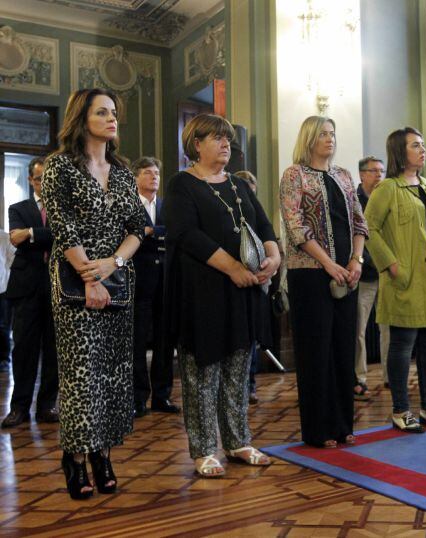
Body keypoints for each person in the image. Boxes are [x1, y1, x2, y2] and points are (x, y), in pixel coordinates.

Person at [42, 88, 146, 499]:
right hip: (75, 284)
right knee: (82, 377)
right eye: (102, 112)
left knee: (115, 375)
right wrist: (90, 277)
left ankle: (103, 454)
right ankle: (76, 457)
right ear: (81, 117)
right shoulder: (60, 167)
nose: (112, 118)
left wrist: (114, 265)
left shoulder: (122, 171)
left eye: (114, 112)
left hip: (119, 281)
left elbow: (138, 227)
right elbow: (63, 227)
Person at [164, 114, 279, 476]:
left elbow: (263, 227)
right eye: (216, 137)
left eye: (227, 138)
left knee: (236, 371)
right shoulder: (182, 184)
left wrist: (274, 258)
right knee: (202, 374)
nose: (226, 144)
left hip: (242, 295)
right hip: (203, 295)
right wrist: (233, 268)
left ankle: (238, 442)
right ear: (196, 144)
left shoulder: (239, 186)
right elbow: (186, 235)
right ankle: (203, 450)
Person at [279, 116, 368, 448]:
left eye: (332, 133)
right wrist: (329, 264)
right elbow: (296, 226)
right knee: (317, 353)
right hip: (310, 274)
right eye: (322, 135)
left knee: (343, 349)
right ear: (309, 139)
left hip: (347, 272)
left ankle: (344, 424)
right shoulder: (294, 175)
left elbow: (360, 221)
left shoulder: (343, 176)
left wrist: (355, 260)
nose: (329, 139)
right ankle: (319, 430)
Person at [365, 127, 426, 433]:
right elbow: (370, 229)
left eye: (423, 144)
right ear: (400, 152)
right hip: (405, 277)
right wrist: (390, 264)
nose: (422, 149)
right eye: (416, 145)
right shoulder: (386, 188)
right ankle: (401, 410)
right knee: (403, 346)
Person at [3, 156, 59, 428]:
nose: (44, 183)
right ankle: (19, 407)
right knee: (23, 349)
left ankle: (47, 405)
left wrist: (32, 234)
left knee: (54, 349)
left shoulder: (63, 207)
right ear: (30, 180)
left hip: (59, 286)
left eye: (48, 178)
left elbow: (67, 235)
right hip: (26, 287)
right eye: (39, 179)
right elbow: (15, 237)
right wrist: (43, 233)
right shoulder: (18, 207)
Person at [131, 156, 179, 419]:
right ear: (137, 177)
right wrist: (149, 233)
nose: (154, 177)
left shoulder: (166, 205)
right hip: (139, 280)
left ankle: (162, 395)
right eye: (148, 173)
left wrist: (151, 232)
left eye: (157, 173)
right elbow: (132, 234)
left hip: (166, 280)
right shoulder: (129, 205)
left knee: (165, 340)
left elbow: (172, 232)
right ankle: (138, 397)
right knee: (138, 340)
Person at [353, 156, 390, 400]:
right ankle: (359, 377)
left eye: (381, 171)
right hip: (363, 274)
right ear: (362, 175)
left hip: (387, 274)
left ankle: (390, 375)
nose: (378, 176)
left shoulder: (387, 198)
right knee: (359, 329)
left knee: (390, 328)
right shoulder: (353, 200)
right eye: (373, 171)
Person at [234, 169, 263, 405]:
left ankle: (251, 382)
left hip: (258, 279)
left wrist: (271, 261)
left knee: (252, 339)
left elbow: (267, 232)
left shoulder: (255, 211)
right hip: (233, 279)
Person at [0, 229, 13, 374]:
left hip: (2, 289)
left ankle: (4, 359)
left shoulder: (4, 237)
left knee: (2, 326)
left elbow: (13, 260)